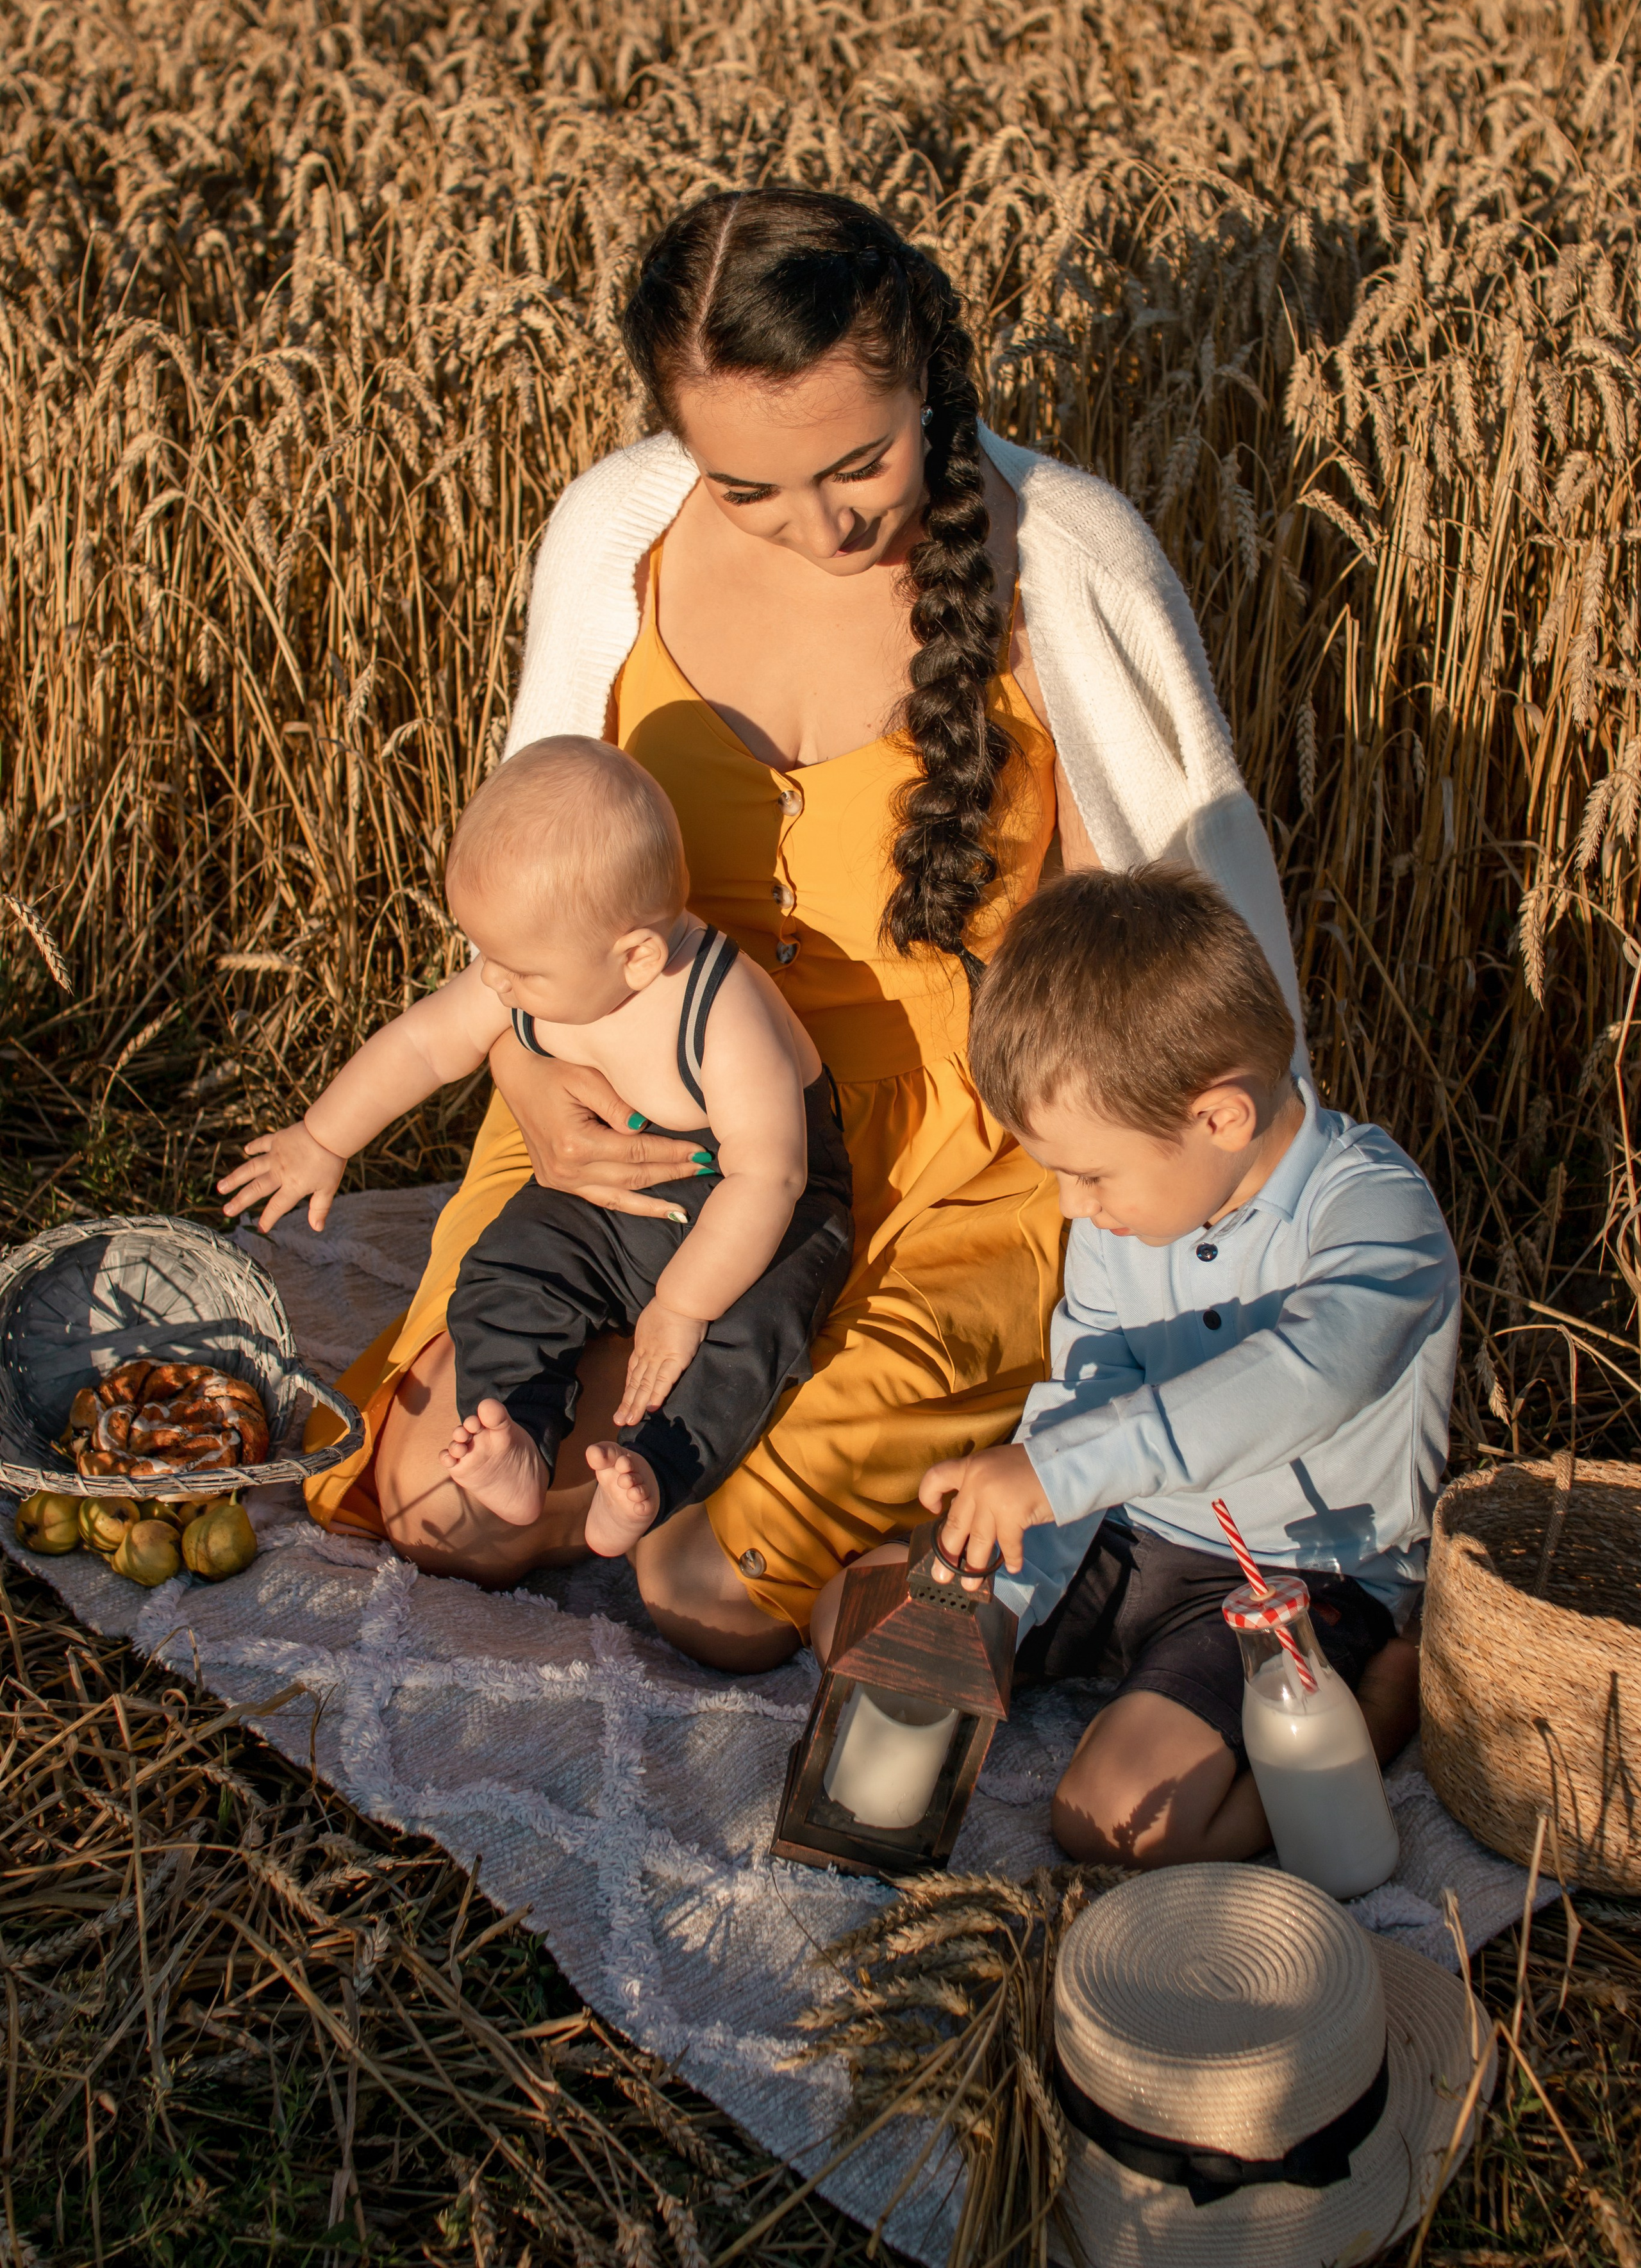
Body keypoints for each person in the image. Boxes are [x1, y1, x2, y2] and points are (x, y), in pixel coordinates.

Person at [302, 185, 1303, 1673]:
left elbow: (1159, 946)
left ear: (929, 379)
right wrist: (529, 1082)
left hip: (933, 1163)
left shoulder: (1058, 558)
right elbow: (524, 905)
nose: (821, 522)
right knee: (444, 1503)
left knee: (703, 1584)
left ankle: (855, 1479)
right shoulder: (611, 541)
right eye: (749, 484)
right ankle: (725, 1450)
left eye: (860, 460)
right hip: (622, 1106)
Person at [897, 865, 1459, 1867]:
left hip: (1294, 1567)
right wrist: (1010, 1560)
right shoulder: (1137, 1207)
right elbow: (1090, 1390)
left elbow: (1307, 1375)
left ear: (1220, 1118)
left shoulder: (1375, 1212)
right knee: (872, 1633)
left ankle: (1373, 1710)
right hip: (1125, 1529)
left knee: (1117, 1820)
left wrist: (1055, 1474)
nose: (1071, 1207)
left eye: (1090, 1173)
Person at [222, 738, 853, 1553]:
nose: (492, 982)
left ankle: (655, 1475)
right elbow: (422, 1044)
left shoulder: (724, 1012)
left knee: (754, 1336)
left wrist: (682, 1304)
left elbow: (773, 1174)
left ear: (637, 956)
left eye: (515, 970)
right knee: (508, 1267)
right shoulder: (547, 968)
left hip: (753, 1203)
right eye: (488, 956)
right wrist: (322, 1137)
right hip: (610, 1198)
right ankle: (517, 1430)